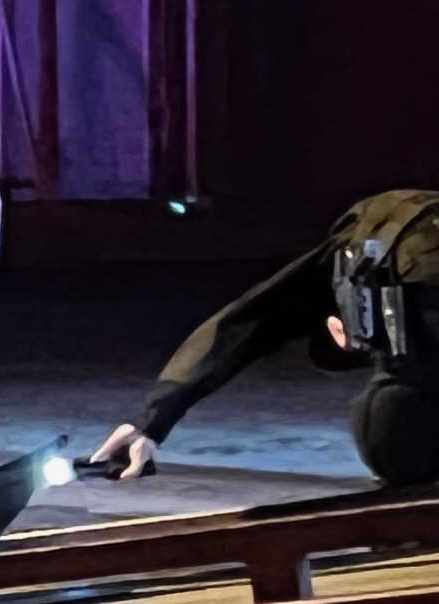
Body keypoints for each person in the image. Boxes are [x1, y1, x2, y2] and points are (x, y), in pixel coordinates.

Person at [90, 189, 439, 486]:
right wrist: (148, 423)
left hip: (393, 249)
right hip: (391, 248)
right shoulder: (364, 256)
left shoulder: (362, 255)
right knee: (398, 409)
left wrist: (150, 421)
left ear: (339, 331)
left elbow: (240, 325)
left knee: (399, 410)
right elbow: (241, 327)